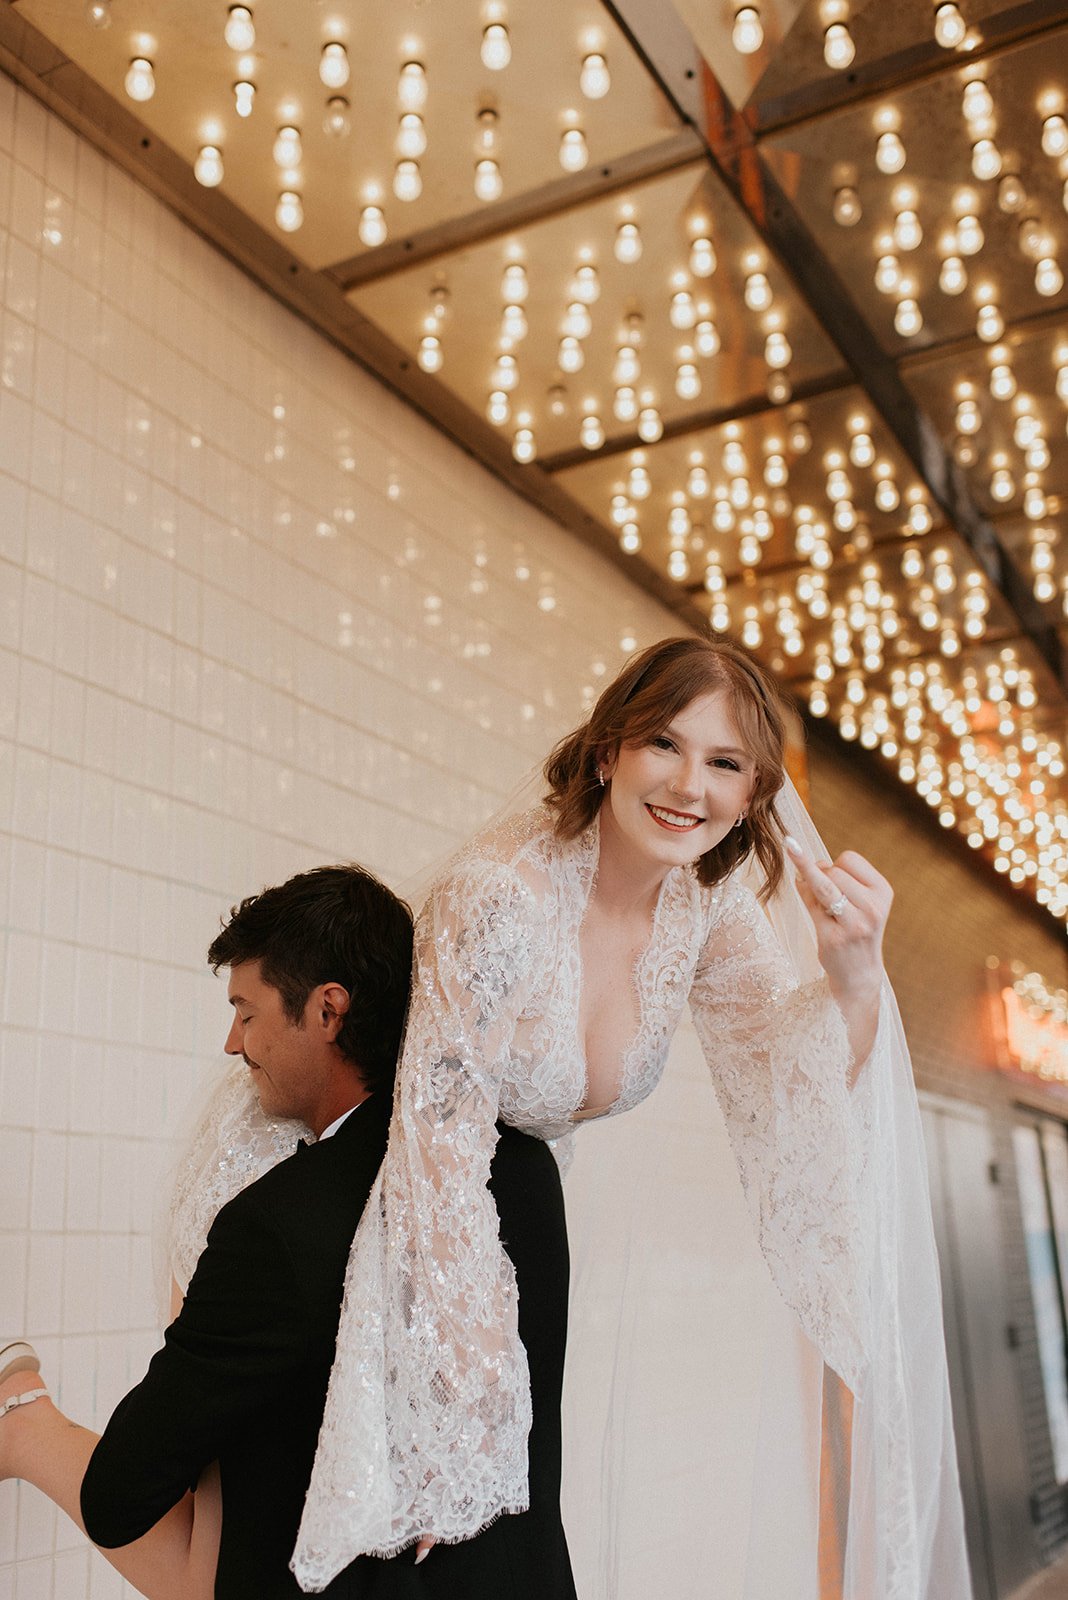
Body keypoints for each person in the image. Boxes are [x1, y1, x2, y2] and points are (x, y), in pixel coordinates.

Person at [0, 864, 576, 1599]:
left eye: (247, 1010)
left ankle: (21, 1418)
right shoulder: (524, 1169)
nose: (235, 1044)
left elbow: (119, 1494)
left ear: (327, 1011)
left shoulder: (274, 1227)